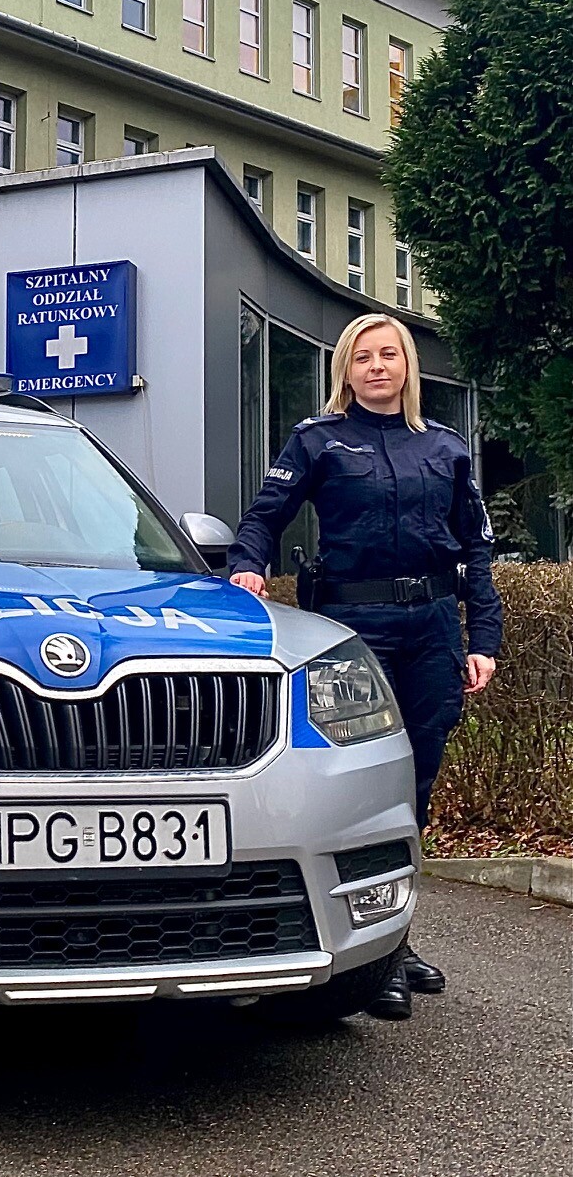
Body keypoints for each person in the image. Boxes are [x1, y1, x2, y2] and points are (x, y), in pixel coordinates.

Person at [227, 312, 500, 1022]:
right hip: (355, 630)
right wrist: (248, 567)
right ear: (345, 370)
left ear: (407, 366)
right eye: (362, 357)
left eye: (388, 355)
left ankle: (393, 941)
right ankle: (374, 959)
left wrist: (483, 639)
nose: (377, 366)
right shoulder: (317, 440)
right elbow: (264, 516)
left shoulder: (444, 447)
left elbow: (475, 550)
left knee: (414, 784)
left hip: (431, 630)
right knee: (363, 786)